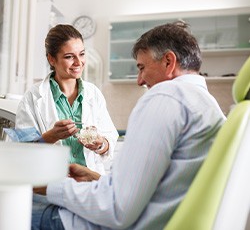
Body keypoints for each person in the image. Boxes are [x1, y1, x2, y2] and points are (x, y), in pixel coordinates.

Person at [31, 21, 226, 229]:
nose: (139, 80)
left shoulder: (166, 97)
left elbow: (115, 207)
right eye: (69, 56)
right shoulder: (207, 105)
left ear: (169, 62)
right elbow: (154, 188)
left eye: (142, 67)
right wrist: (95, 178)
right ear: (52, 60)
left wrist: (52, 186)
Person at [15, 24, 119, 175]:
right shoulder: (33, 97)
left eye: (82, 54)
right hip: (50, 185)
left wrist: (100, 144)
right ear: (51, 59)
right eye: (69, 57)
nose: (78, 62)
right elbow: (21, 151)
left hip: (89, 185)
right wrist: (51, 136)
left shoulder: (93, 94)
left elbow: (110, 137)